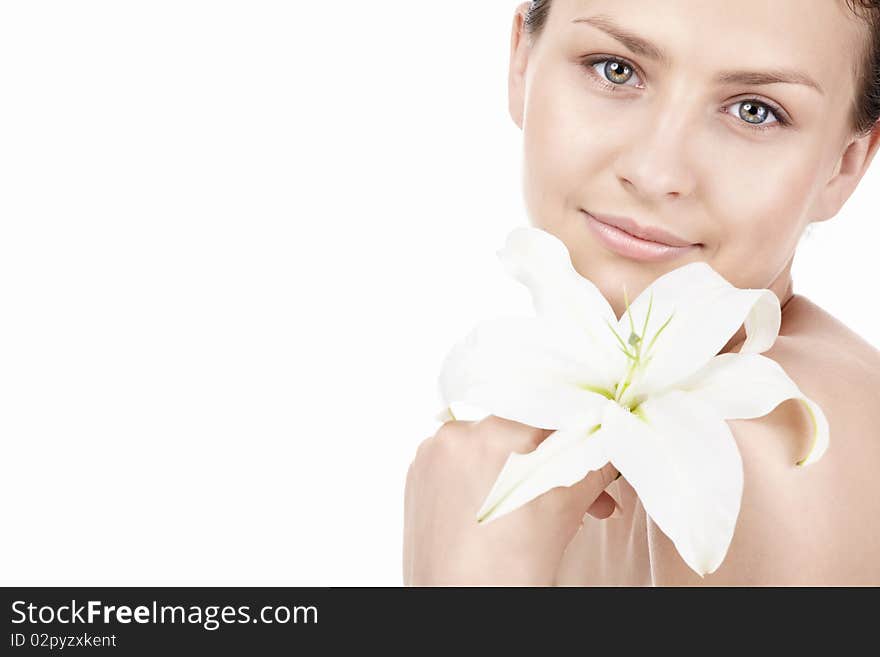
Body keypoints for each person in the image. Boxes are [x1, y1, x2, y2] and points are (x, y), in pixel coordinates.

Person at [403, 0, 880, 586]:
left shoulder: (779, 456)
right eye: (616, 69)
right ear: (522, 61)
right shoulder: (576, 414)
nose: (657, 173)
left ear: (846, 166)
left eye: (756, 112)